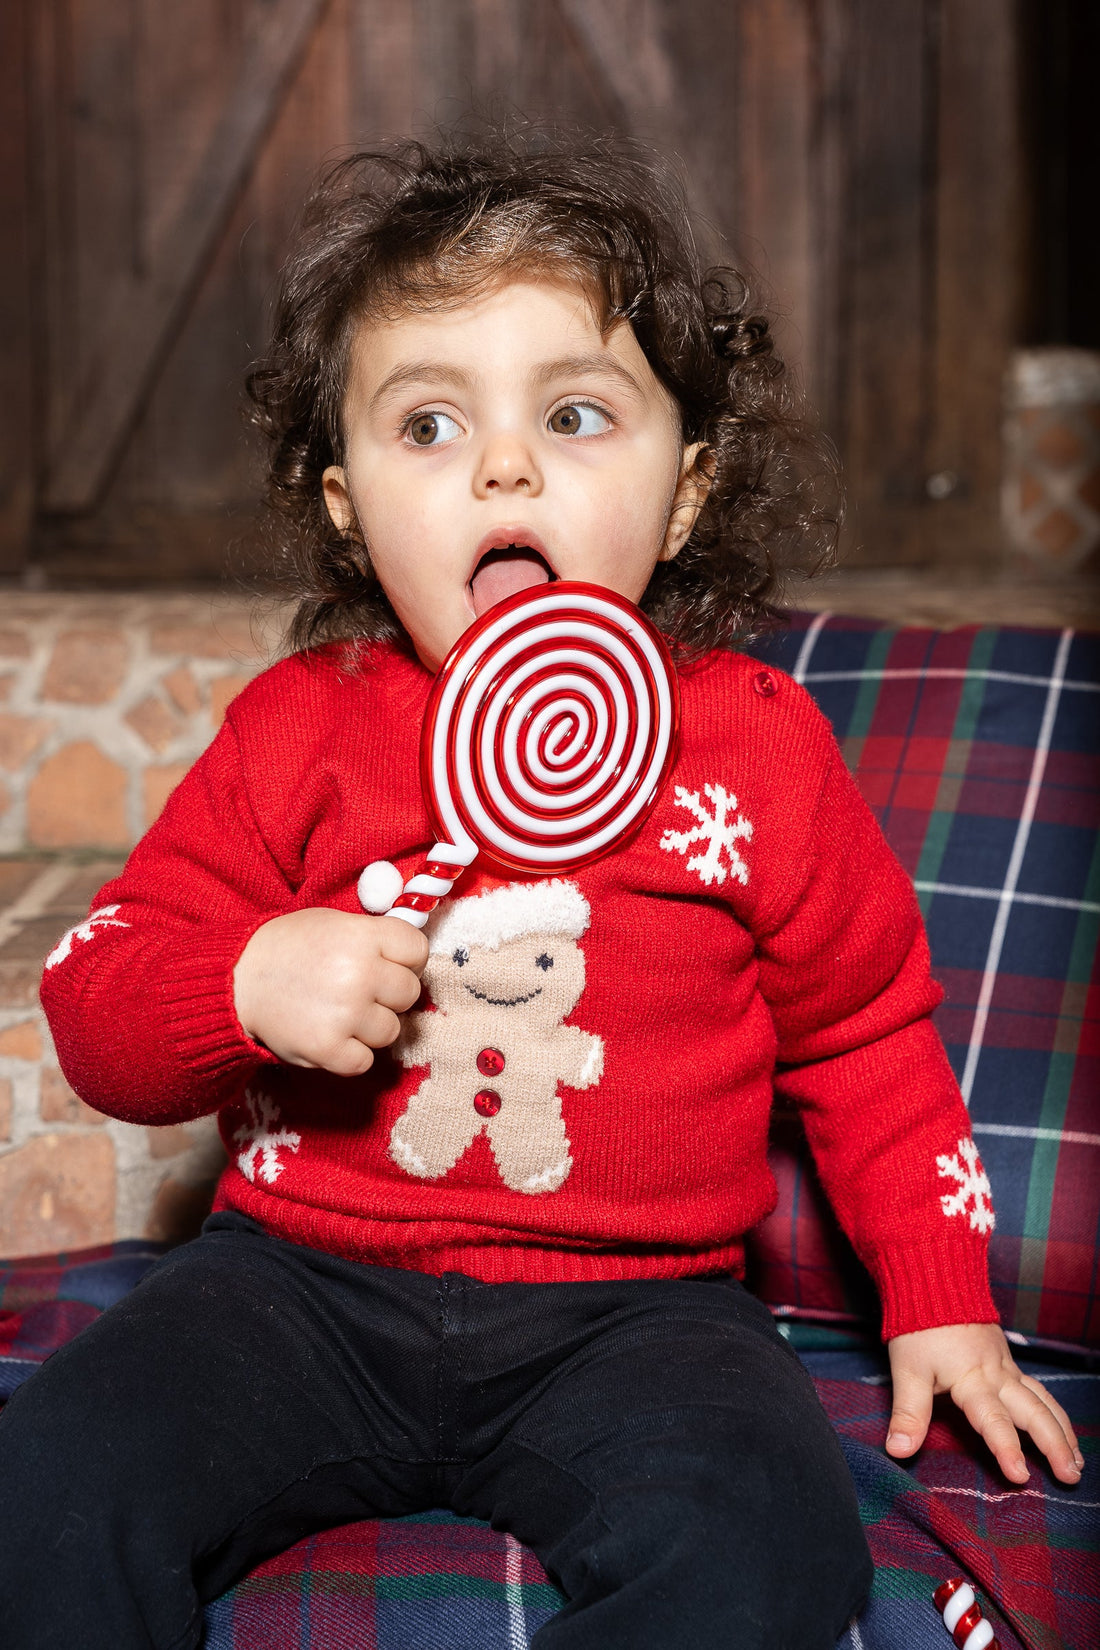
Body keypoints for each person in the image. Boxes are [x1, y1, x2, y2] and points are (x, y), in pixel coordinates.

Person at [0, 133, 1081, 1650]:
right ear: (344, 504)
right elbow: (98, 996)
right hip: (294, 1288)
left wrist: (937, 1293)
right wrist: (242, 982)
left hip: (644, 1314)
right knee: (42, 1490)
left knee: (770, 1550)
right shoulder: (299, 726)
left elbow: (865, 1035)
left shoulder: (756, 750)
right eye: (429, 424)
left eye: (575, 414)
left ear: (688, 493)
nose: (505, 465)